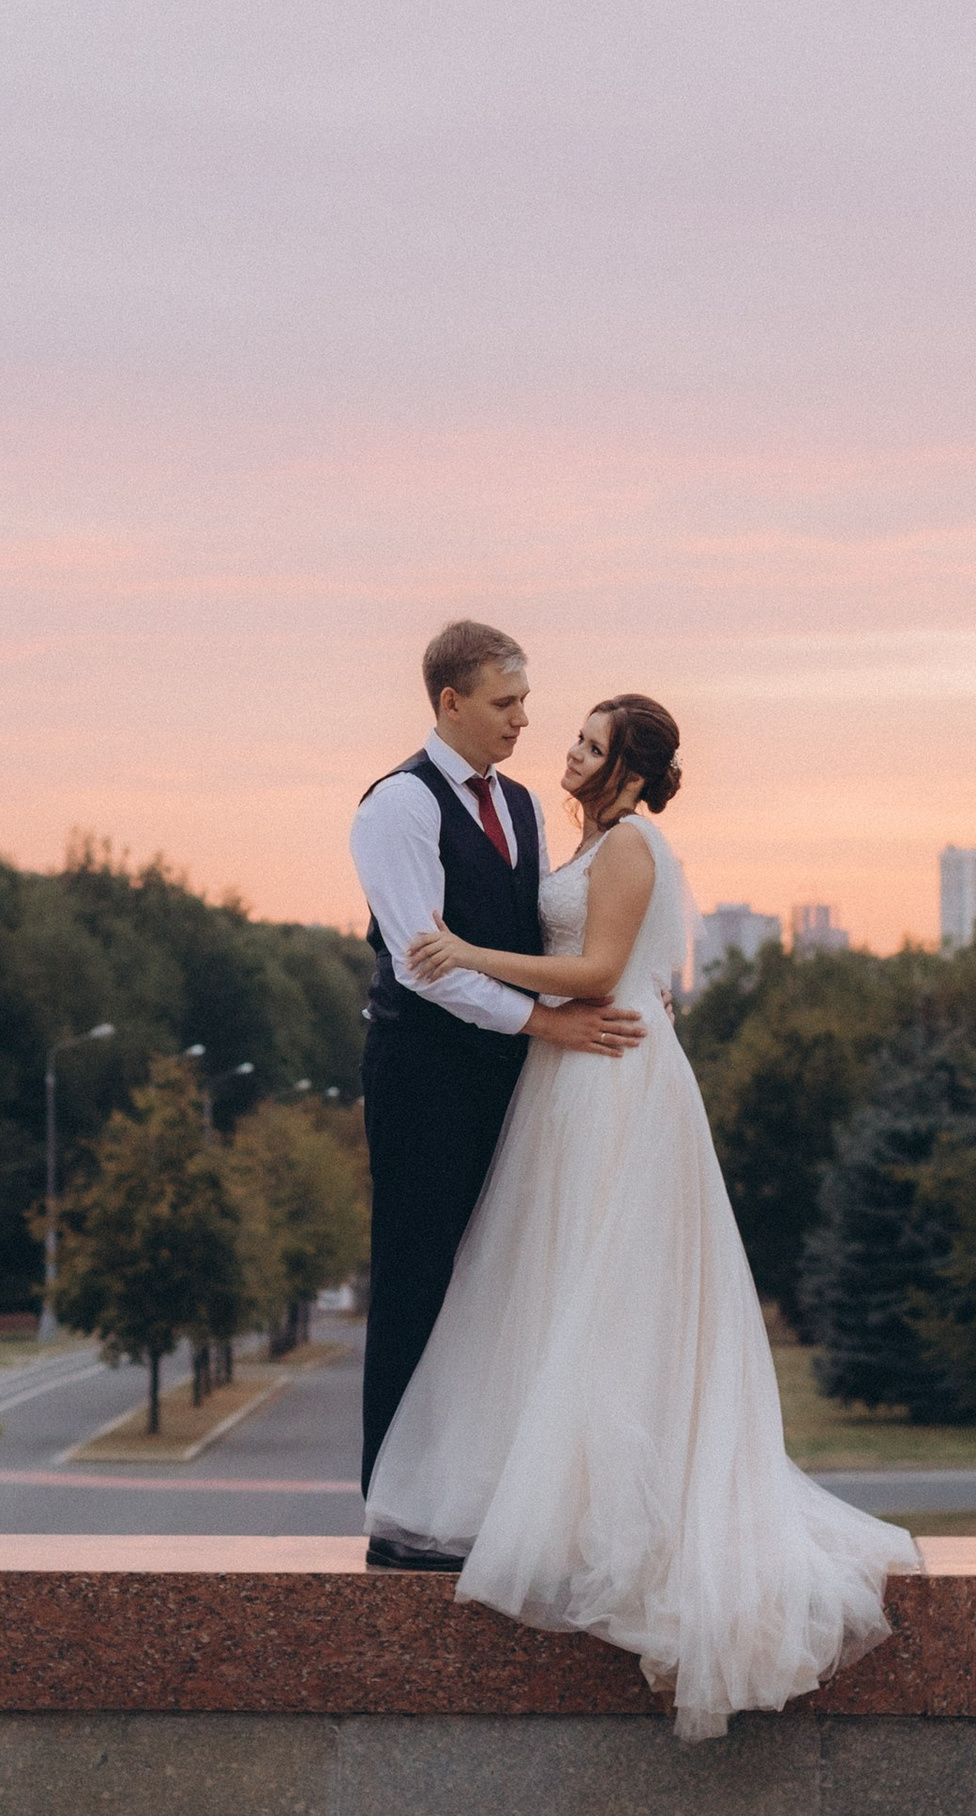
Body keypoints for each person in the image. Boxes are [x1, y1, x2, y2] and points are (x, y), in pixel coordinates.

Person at [365, 693, 917, 1739]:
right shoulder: (576, 839)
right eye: (572, 737)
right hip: (568, 1072)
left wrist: (466, 954)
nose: (567, 751)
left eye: (590, 745)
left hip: (613, 1079)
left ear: (626, 770)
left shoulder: (628, 847)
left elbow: (597, 973)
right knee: (557, 1284)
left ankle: (621, 1517)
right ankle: (559, 1505)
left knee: (606, 1290)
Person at [350, 621, 651, 1566]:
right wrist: (546, 1026)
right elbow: (425, 965)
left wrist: (619, 990)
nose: (524, 720)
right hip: (423, 1077)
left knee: (493, 1285)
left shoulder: (519, 805)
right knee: (418, 1280)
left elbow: (531, 941)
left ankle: (470, 1502)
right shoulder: (397, 806)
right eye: (504, 702)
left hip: (512, 1080)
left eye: (525, 701)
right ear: (450, 703)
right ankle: (395, 1519)